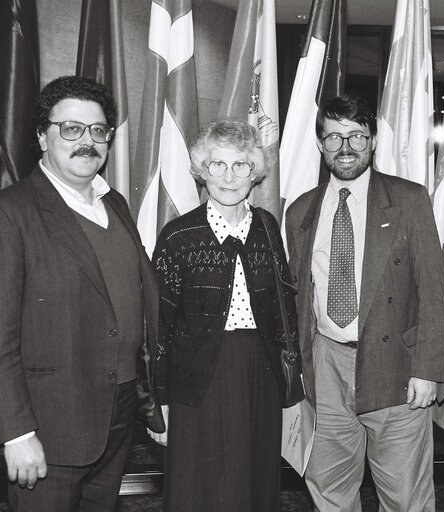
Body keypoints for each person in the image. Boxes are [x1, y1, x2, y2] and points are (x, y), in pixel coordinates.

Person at [0, 75, 164, 512]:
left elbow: (134, 305)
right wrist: (16, 434)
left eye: (97, 131)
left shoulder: (115, 205)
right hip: (49, 424)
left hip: (118, 409)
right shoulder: (4, 214)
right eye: (70, 129)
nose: (86, 141)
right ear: (42, 136)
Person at [284, 93, 444, 512]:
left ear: (373, 141)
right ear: (320, 145)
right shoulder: (301, 210)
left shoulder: (409, 199)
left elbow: (433, 289)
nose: (345, 148)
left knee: (406, 495)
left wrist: (427, 369)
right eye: (334, 137)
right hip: (325, 367)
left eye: (356, 136)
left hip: (395, 368)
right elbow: (299, 299)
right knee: (329, 487)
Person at [150, 118, 300, 512]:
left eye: (241, 165)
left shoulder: (267, 227)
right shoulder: (178, 236)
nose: (229, 177)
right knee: (201, 486)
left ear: (256, 173)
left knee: (255, 478)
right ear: (202, 171)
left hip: (261, 373)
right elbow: (158, 326)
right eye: (218, 165)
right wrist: (158, 399)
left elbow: (286, 311)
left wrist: (292, 388)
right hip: (197, 378)